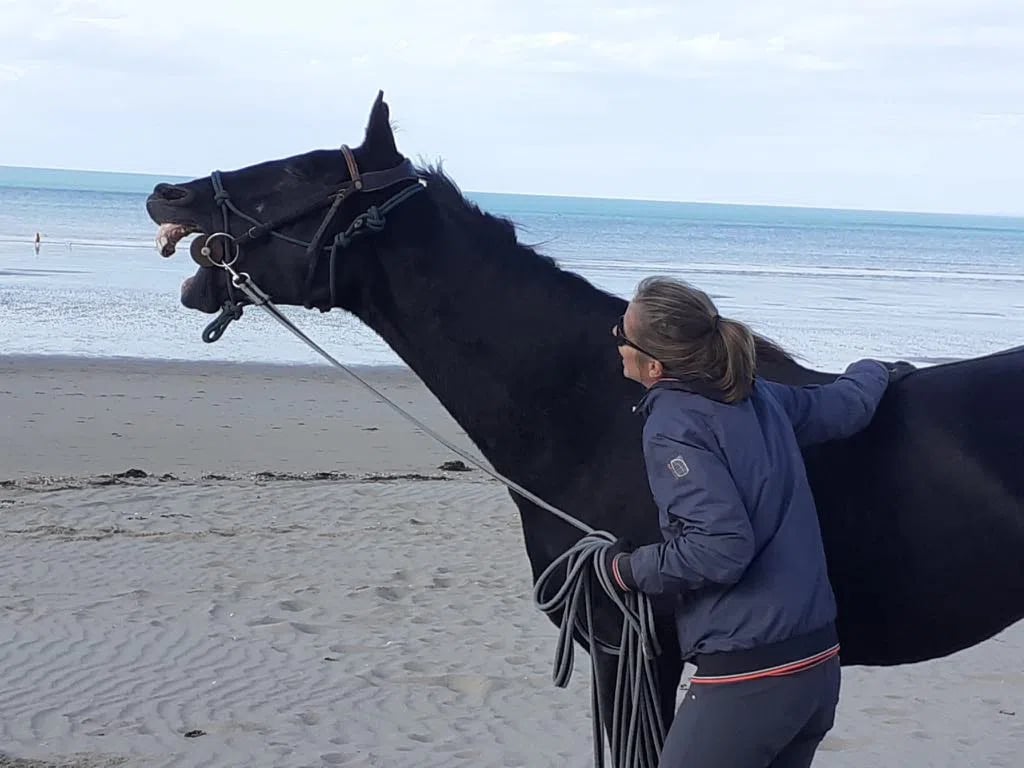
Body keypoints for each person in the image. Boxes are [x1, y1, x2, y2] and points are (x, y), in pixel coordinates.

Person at [605, 275, 914, 767]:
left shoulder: (674, 426)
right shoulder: (760, 396)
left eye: (621, 335)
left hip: (751, 676)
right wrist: (872, 369)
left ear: (653, 364)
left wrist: (626, 570)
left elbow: (720, 548)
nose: (617, 343)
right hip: (816, 668)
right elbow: (846, 407)